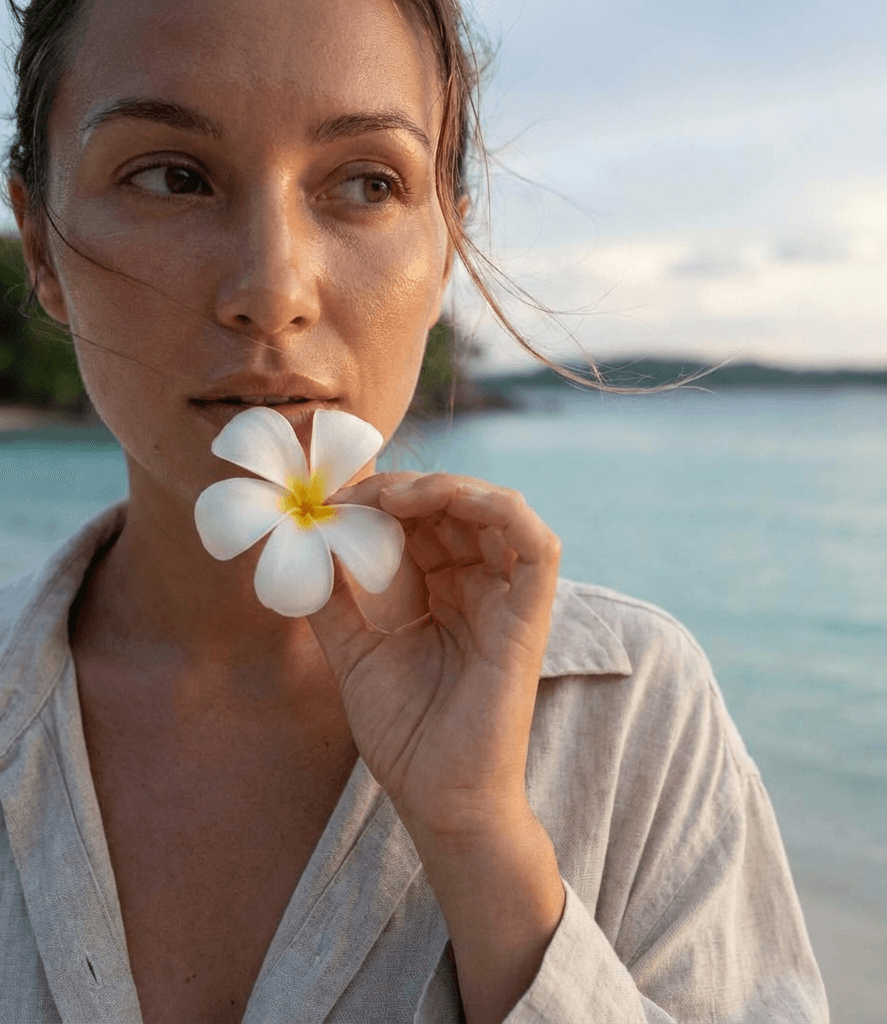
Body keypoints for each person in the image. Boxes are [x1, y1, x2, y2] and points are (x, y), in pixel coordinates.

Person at [0, 0, 830, 1021]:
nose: (272, 290)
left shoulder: (629, 717)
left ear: (444, 250)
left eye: (364, 183)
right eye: (172, 175)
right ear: (41, 243)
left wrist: (485, 843)